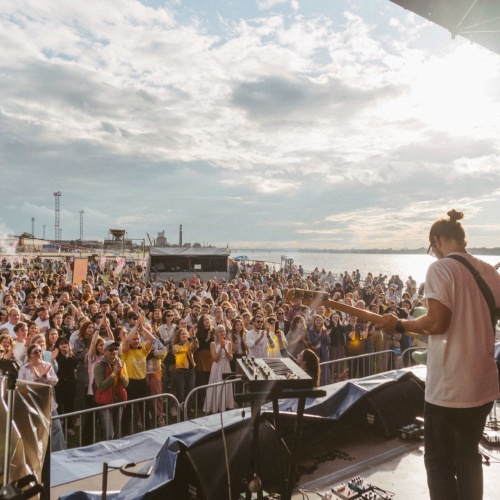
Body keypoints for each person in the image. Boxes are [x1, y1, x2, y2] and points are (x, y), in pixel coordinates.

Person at [377, 209, 500, 500]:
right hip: (483, 385)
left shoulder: (440, 269)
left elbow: (436, 322)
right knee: (469, 457)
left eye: (431, 248)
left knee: (440, 464)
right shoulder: (490, 271)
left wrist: (400, 324)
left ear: (437, 241)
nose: (432, 254)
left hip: (450, 389)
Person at [18, 343, 65, 451]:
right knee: (37, 431)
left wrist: (44, 376)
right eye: (35, 352)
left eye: (40, 351)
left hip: (48, 402)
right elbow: (23, 386)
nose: (39, 353)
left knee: (56, 428)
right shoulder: (24, 369)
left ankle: (59, 452)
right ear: (29, 356)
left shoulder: (47, 365)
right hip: (32, 404)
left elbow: (54, 381)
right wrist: (36, 379)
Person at [94, 340, 129, 440]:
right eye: (111, 350)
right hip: (105, 403)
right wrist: (113, 374)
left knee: (118, 433)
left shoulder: (121, 363)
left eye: (116, 349)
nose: (114, 352)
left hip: (118, 401)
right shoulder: (99, 366)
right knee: (110, 434)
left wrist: (120, 373)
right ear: (104, 351)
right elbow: (101, 386)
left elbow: (126, 383)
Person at [203, 325, 235, 414]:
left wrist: (225, 348)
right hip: (217, 367)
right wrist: (221, 347)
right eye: (220, 331)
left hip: (226, 366)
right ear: (217, 333)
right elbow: (215, 358)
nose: (222, 333)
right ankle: (214, 406)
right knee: (217, 385)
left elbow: (231, 357)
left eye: (224, 331)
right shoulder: (212, 344)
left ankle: (226, 405)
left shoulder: (228, 343)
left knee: (226, 385)